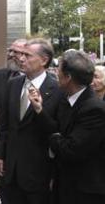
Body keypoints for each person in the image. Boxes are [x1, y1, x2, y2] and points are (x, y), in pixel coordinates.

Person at [0, 38, 60, 204]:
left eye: (27, 55)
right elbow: (2, 124)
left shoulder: (57, 90)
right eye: (21, 54)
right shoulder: (12, 84)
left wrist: (40, 111)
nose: (21, 59)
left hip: (39, 171)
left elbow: (57, 131)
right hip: (10, 169)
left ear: (44, 60)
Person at [44, 50, 105, 204]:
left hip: (84, 191)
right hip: (64, 185)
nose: (55, 73)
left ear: (68, 77)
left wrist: (54, 138)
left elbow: (71, 150)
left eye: (58, 70)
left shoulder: (94, 109)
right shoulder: (66, 100)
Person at [0, 38, 26, 204]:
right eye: (10, 51)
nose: (11, 55)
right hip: (7, 147)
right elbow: (0, 114)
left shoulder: (49, 83)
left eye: (16, 52)